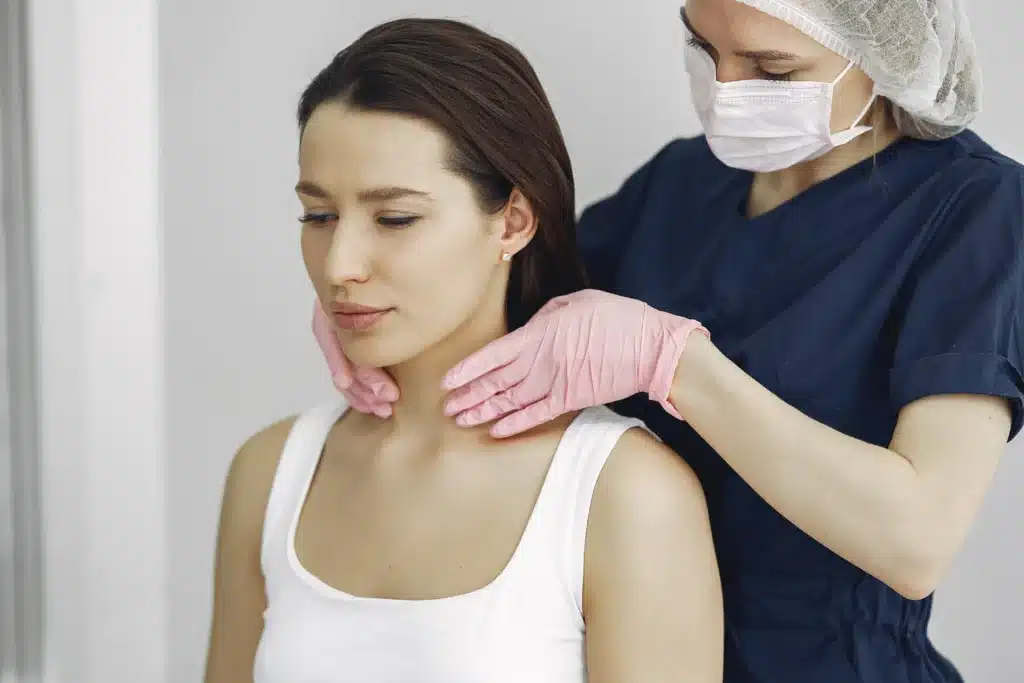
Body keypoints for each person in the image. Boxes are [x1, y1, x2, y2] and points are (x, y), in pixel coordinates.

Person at [313, 1, 1024, 682]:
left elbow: (915, 539)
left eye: (771, 70)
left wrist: (676, 364)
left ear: (885, 47)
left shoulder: (975, 213)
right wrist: (381, 307)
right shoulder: (683, 182)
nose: (727, 91)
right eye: (703, 49)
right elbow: (514, 306)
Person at [205, 17, 724, 683]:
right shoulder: (272, 473)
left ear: (512, 220)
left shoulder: (624, 494)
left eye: (394, 218)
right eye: (319, 216)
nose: (339, 265)